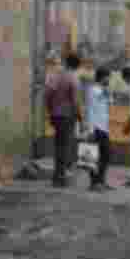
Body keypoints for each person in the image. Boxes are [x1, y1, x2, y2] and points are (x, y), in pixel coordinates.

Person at [44, 53, 84, 188]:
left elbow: (48, 93)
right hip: (67, 116)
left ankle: (57, 176)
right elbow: (75, 101)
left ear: (66, 62)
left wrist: (50, 110)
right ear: (77, 66)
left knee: (58, 146)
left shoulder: (56, 75)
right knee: (65, 146)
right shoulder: (73, 78)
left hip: (56, 115)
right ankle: (61, 177)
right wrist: (80, 116)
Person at [86, 67, 112, 191]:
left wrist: (107, 92)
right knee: (93, 156)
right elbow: (90, 110)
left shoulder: (103, 90)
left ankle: (101, 181)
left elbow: (109, 102)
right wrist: (90, 130)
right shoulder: (92, 90)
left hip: (104, 128)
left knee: (105, 155)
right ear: (102, 77)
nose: (109, 79)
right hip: (95, 127)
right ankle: (94, 183)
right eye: (108, 76)